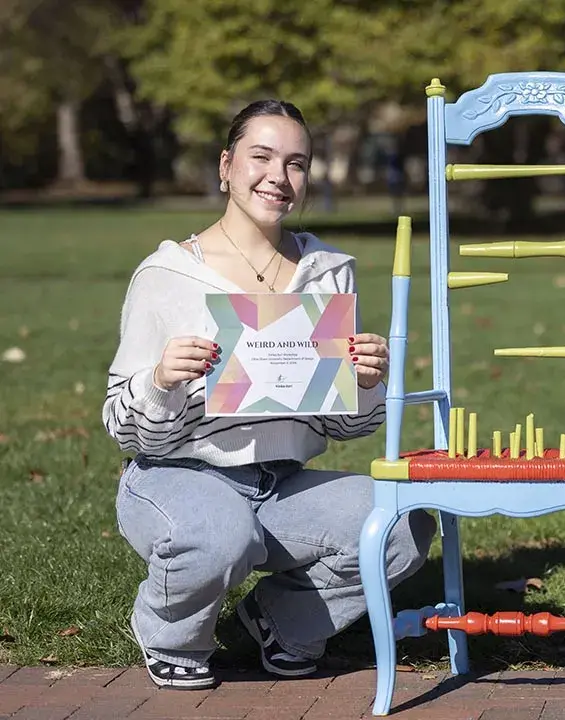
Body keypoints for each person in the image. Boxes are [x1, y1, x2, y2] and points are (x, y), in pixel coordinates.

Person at [102, 100, 436, 690]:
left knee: (401, 524)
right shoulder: (167, 275)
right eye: (262, 157)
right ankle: (171, 633)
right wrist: (159, 382)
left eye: (297, 163)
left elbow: (347, 429)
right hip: (176, 476)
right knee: (220, 534)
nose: (279, 177)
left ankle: (281, 620)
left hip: (283, 482)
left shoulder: (328, 271)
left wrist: (364, 383)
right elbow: (124, 430)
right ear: (226, 165)